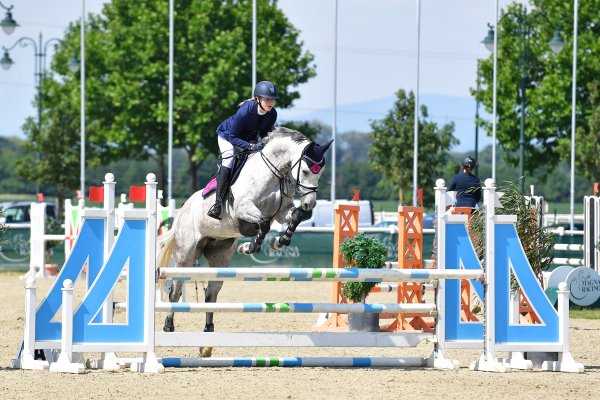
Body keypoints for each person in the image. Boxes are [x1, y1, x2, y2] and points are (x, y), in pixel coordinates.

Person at [207, 81, 279, 220]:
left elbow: (264, 132)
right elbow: (233, 137)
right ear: (258, 99)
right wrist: (251, 147)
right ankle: (217, 204)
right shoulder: (245, 110)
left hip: (247, 138)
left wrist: (266, 142)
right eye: (267, 99)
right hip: (227, 136)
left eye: (272, 99)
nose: (270, 102)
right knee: (229, 160)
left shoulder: (272, 114)